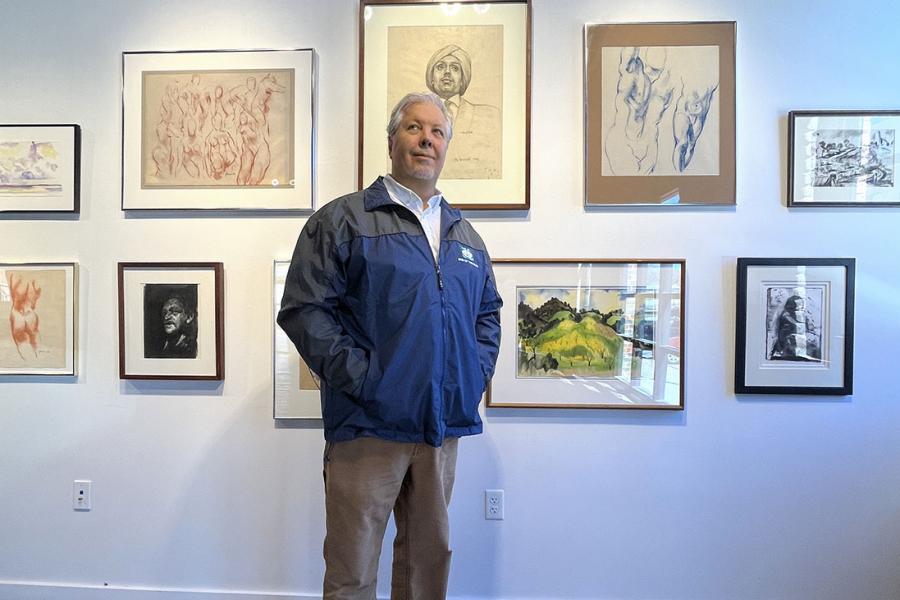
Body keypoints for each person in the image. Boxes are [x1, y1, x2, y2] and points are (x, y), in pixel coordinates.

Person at [277, 91, 502, 600]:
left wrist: (470, 377)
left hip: (440, 429)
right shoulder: (342, 221)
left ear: (446, 146)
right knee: (352, 570)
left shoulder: (464, 235)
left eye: (437, 132)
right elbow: (304, 309)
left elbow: (487, 316)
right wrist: (366, 381)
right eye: (414, 128)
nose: (426, 139)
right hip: (367, 429)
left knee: (428, 568)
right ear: (392, 139)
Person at [424, 44, 501, 179]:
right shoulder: (415, 115)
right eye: (440, 67)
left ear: (462, 80)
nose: (447, 72)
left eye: (454, 68)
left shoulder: (490, 116)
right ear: (431, 77)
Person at [157, 294, 197, 359]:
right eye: (164, 312)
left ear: (189, 317)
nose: (166, 317)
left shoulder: (192, 348)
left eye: (174, 312)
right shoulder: (160, 346)